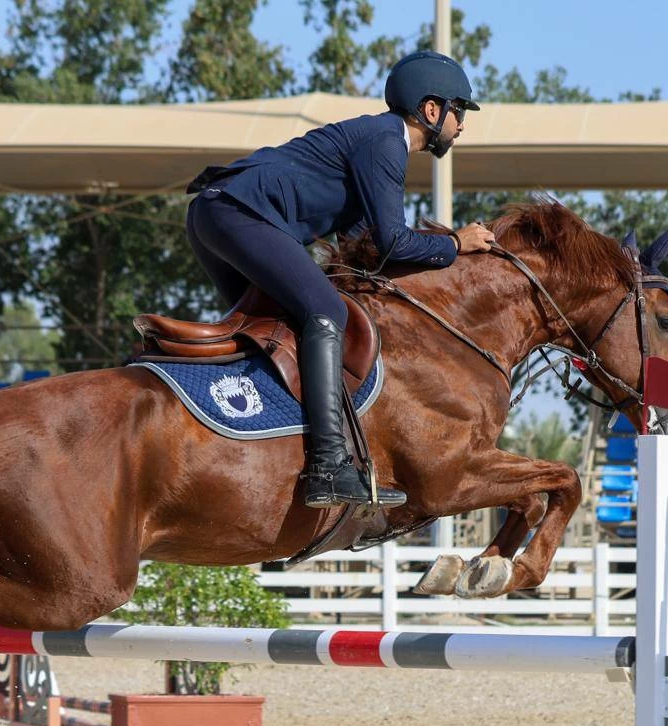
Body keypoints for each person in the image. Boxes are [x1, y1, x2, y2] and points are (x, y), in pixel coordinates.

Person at [184, 51, 495, 509]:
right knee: (326, 310)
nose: (462, 125)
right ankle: (329, 466)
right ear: (432, 110)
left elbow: (364, 251)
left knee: (275, 329)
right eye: (459, 111)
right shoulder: (386, 142)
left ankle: (259, 442)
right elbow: (393, 241)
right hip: (238, 213)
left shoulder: (374, 140)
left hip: (216, 213)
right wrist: (454, 244)